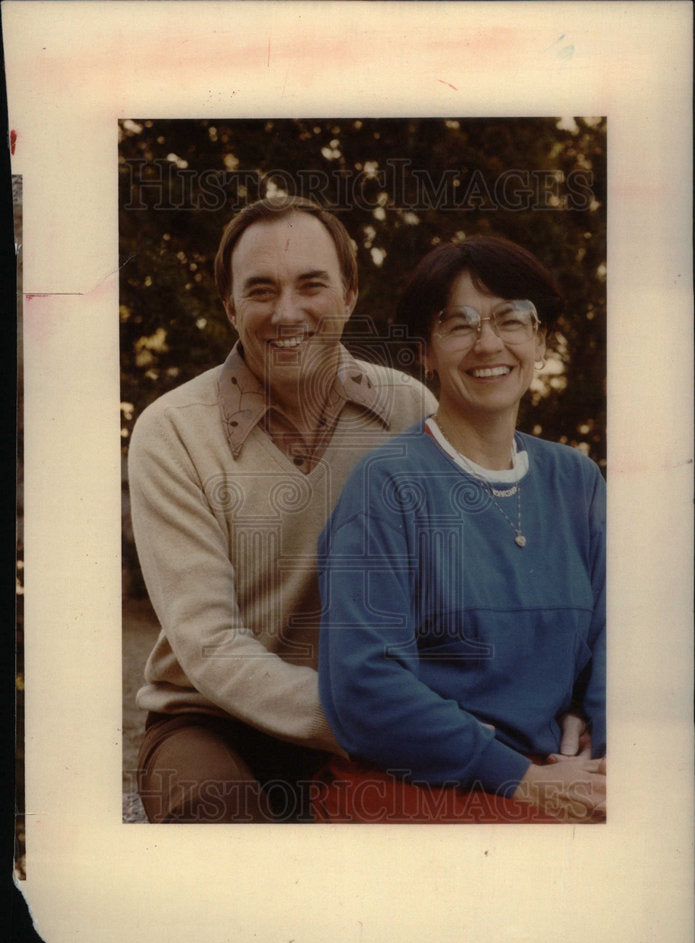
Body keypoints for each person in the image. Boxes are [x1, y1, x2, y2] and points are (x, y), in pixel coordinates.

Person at [128, 196, 436, 822]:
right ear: (230, 305)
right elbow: (210, 645)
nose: (287, 312)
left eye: (312, 285)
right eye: (261, 289)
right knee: (219, 818)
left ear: (349, 294)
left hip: (384, 707)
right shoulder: (173, 431)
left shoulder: (412, 412)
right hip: (208, 720)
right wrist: (371, 720)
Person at [315, 235, 606, 824]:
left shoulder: (576, 478)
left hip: (561, 768)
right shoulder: (387, 486)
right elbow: (363, 685)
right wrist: (518, 776)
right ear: (426, 351)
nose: (489, 343)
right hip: (429, 785)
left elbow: (618, 637)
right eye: (460, 324)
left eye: (511, 320)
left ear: (542, 341)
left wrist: (598, 731)